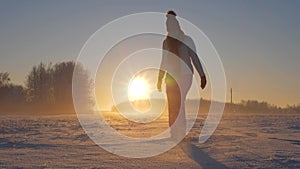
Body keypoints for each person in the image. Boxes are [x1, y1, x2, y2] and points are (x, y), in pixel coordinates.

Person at [157, 10, 207, 140]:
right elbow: (164, 60)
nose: (168, 27)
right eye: (166, 25)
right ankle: (174, 133)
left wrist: (202, 75)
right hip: (170, 77)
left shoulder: (187, 40)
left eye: (170, 24)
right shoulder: (166, 42)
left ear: (176, 25)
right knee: (172, 103)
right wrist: (160, 77)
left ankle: (180, 134)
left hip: (185, 75)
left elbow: (194, 58)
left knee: (178, 103)